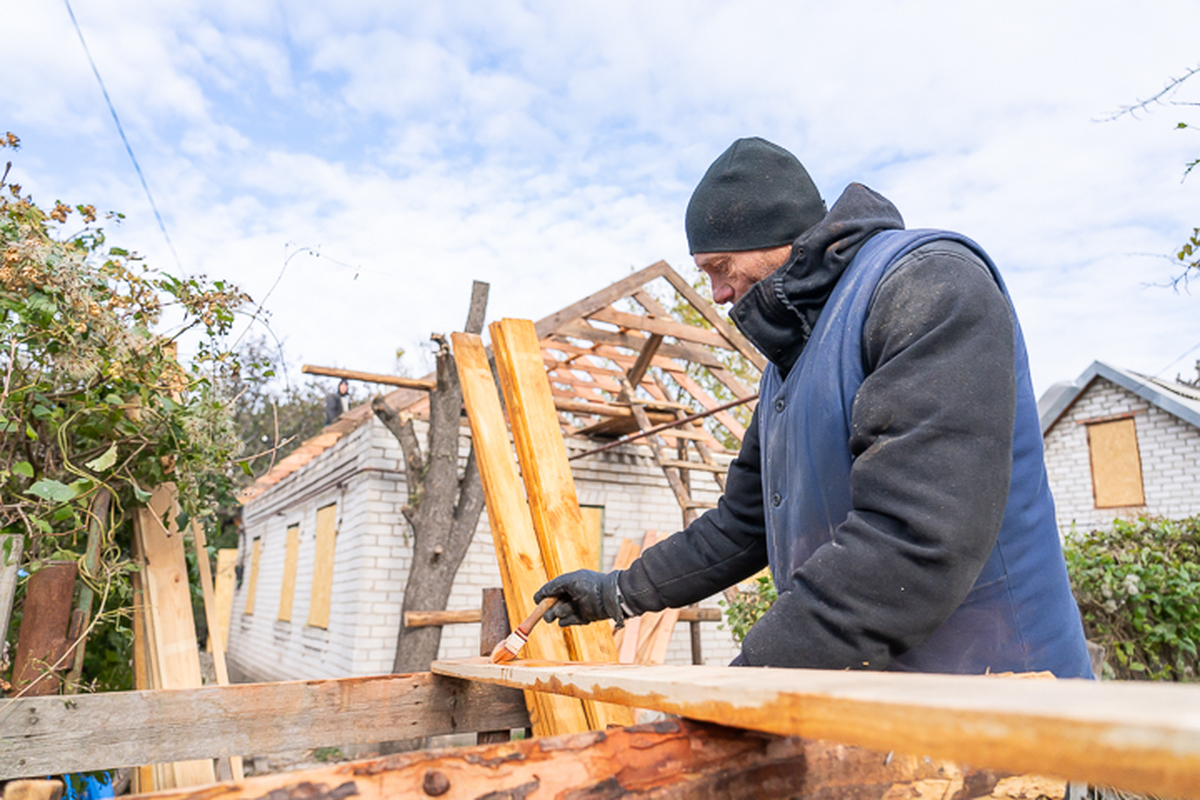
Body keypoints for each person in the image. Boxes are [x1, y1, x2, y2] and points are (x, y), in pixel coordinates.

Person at [535, 137, 1093, 677]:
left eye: (720, 267)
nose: (719, 293)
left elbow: (915, 537)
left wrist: (754, 680)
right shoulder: (789, 369)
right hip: (886, 707)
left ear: (777, 236)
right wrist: (616, 592)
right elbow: (740, 527)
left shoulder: (927, 284)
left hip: (1005, 698)